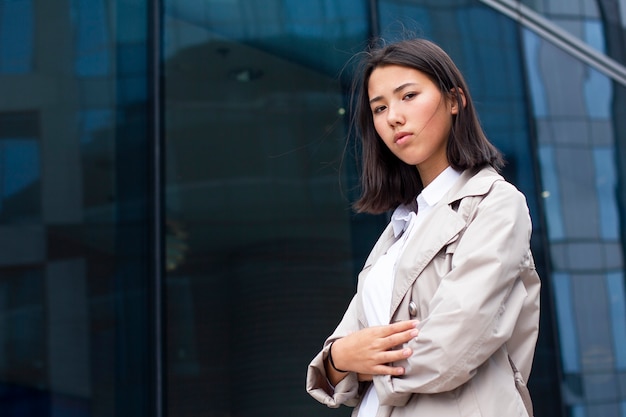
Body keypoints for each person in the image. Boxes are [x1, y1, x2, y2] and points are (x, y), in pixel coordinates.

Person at [306, 38, 541, 417]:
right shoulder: (400, 227)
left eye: (408, 96)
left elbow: (451, 349)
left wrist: (355, 363)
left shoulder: (495, 203)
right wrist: (339, 358)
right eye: (379, 108)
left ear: (454, 100)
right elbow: (344, 348)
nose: (393, 117)